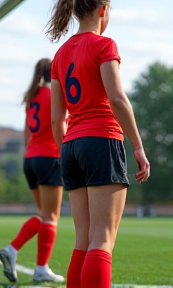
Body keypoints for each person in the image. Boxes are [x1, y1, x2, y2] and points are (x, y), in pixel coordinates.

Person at [46, 1, 150, 287]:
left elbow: (57, 119)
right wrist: (138, 146)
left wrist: (64, 152)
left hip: (71, 146)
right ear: (103, 9)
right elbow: (116, 99)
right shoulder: (104, 44)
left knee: (83, 241)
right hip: (101, 140)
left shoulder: (60, 54)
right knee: (102, 240)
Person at [0, 59, 64, 283]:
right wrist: (64, 150)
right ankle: (39, 267)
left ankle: (14, 250)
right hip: (49, 156)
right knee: (51, 217)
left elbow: (27, 134)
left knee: (45, 215)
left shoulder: (31, 98)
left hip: (31, 158)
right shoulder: (53, 93)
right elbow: (58, 121)